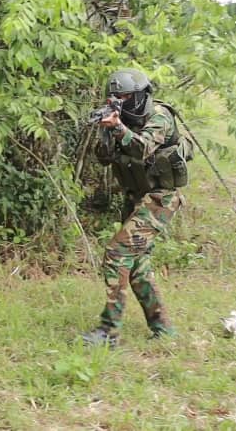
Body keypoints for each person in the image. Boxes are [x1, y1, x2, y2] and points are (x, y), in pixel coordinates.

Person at [83, 68, 191, 347]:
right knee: (138, 267)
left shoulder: (159, 116)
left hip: (160, 199)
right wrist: (107, 131)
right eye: (117, 97)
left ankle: (108, 333)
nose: (122, 101)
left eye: (127, 97)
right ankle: (163, 329)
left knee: (117, 253)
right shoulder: (119, 118)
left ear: (141, 95)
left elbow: (143, 148)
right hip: (135, 198)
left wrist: (118, 127)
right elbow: (105, 158)